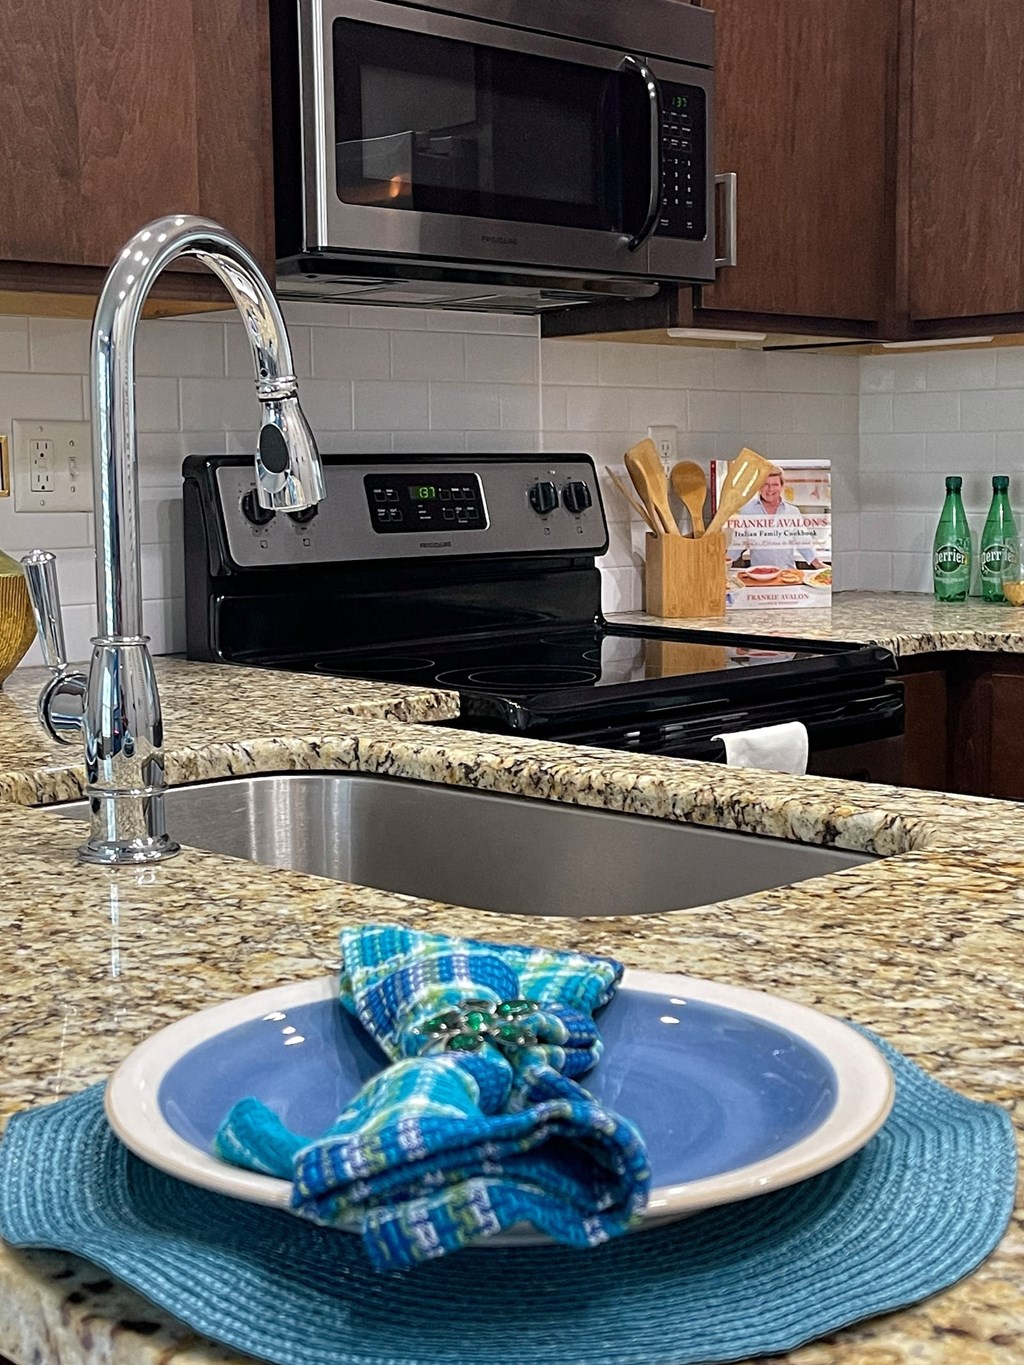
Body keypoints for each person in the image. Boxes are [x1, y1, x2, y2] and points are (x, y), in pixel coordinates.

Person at [727, 467, 824, 569]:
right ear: (759, 487)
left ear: (782, 486)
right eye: (766, 484)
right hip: (760, 576)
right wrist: (723, 563)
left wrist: (819, 565)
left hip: (787, 575)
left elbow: (804, 543)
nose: (770, 489)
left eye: (775, 484)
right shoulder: (748, 511)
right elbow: (738, 543)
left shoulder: (792, 512)